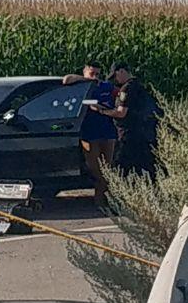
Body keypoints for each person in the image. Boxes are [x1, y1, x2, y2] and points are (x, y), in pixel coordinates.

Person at [62, 61, 117, 208]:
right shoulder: (81, 86)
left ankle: (104, 201)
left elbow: (114, 102)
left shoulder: (105, 86)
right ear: (85, 71)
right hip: (89, 132)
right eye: (92, 73)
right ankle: (101, 199)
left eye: (97, 74)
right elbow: (66, 80)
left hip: (107, 130)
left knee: (107, 168)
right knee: (95, 169)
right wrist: (86, 80)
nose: (95, 77)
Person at [91, 62, 158, 177]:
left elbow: (121, 113)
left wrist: (101, 110)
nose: (115, 80)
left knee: (120, 168)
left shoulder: (126, 88)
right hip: (144, 134)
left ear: (121, 71)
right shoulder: (140, 86)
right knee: (145, 167)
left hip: (128, 135)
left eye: (115, 76)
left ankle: (121, 192)